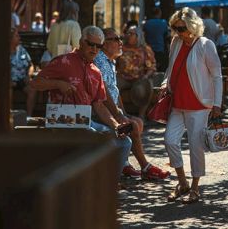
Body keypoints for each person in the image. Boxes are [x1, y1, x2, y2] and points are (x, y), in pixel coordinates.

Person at [31, 26, 132, 178]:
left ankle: (109, 185)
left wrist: (116, 126)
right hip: (62, 119)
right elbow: (35, 83)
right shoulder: (64, 61)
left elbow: (99, 105)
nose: (94, 49)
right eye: (90, 44)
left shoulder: (95, 72)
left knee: (125, 142)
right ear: (81, 42)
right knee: (100, 140)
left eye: (98, 46)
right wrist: (58, 84)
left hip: (84, 121)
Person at [162, 8, 223, 204]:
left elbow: (217, 76)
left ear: (192, 26)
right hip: (177, 103)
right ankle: (182, 182)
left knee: (196, 146)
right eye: (174, 28)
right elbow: (170, 68)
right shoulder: (176, 42)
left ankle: (195, 187)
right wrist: (165, 83)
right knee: (170, 141)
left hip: (199, 104)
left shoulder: (206, 45)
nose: (178, 32)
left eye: (181, 28)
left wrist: (217, 103)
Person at [94, 27, 171, 181]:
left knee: (138, 121)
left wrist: (123, 113)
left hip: (124, 94)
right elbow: (104, 94)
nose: (120, 42)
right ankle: (145, 167)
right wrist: (119, 116)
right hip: (100, 111)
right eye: (116, 39)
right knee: (133, 125)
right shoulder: (100, 61)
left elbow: (115, 92)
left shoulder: (111, 61)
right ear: (104, 43)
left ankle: (125, 163)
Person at [116, 26, 156, 119]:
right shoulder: (121, 47)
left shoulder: (145, 49)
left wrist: (146, 76)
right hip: (123, 77)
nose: (128, 35)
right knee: (113, 86)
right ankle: (120, 114)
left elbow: (152, 66)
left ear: (138, 36)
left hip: (140, 77)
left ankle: (141, 115)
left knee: (144, 88)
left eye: (131, 33)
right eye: (128, 33)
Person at [10, 27, 37, 116]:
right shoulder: (3, 51)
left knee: (32, 90)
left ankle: (28, 117)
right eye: (16, 36)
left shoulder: (21, 49)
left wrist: (28, 75)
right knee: (7, 91)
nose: (19, 38)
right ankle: (8, 116)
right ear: (10, 38)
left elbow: (31, 65)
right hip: (9, 81)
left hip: (22, 80)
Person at [142, 8, 169, 72]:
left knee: (150, 69)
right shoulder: (163, 23)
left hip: (149, 50)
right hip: (160, 50)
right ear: (159, 13)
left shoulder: (147, 24)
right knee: (160, 70)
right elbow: (167, 36)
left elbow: (144, 36)